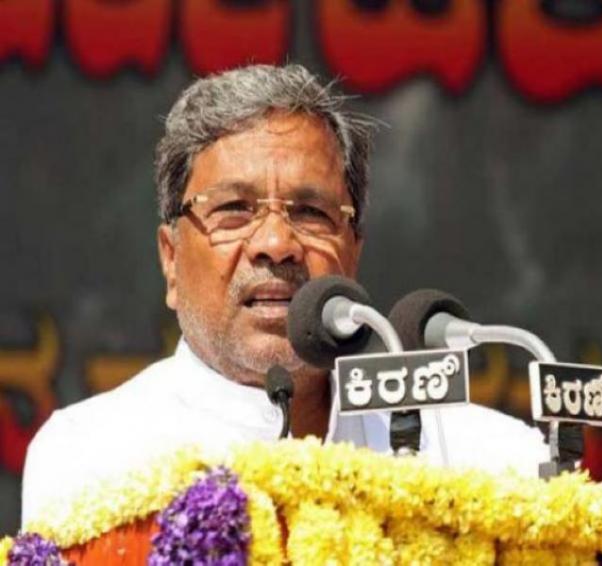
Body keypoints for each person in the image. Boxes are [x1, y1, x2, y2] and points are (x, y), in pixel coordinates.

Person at [21, 64, 548, 526]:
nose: (276, 244)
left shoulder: (488, 464)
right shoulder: (91, 457)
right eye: (234, 210)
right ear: (171, 259)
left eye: (311, 213)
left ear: (353, 253)